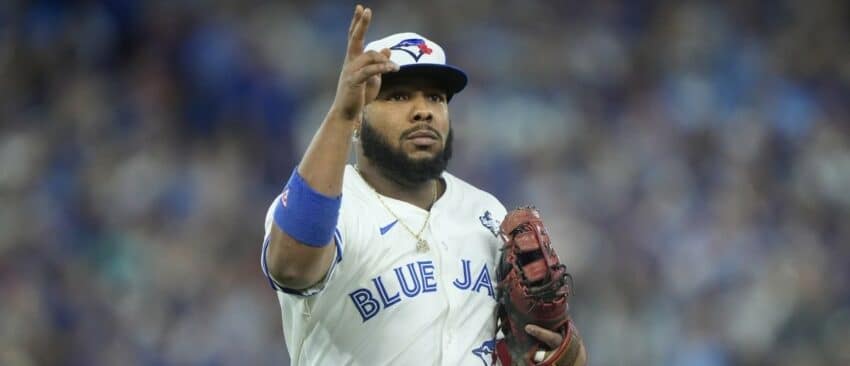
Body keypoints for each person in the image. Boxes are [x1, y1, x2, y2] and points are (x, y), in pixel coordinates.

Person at [261, 5, 587, 365]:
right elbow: (292, 267)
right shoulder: (324, 207)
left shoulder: (485, 213)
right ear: (359, 115)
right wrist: (340, 114)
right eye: (398, 96)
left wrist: (564, 354)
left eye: (435, 97)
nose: (423, 111)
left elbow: (518, 346)